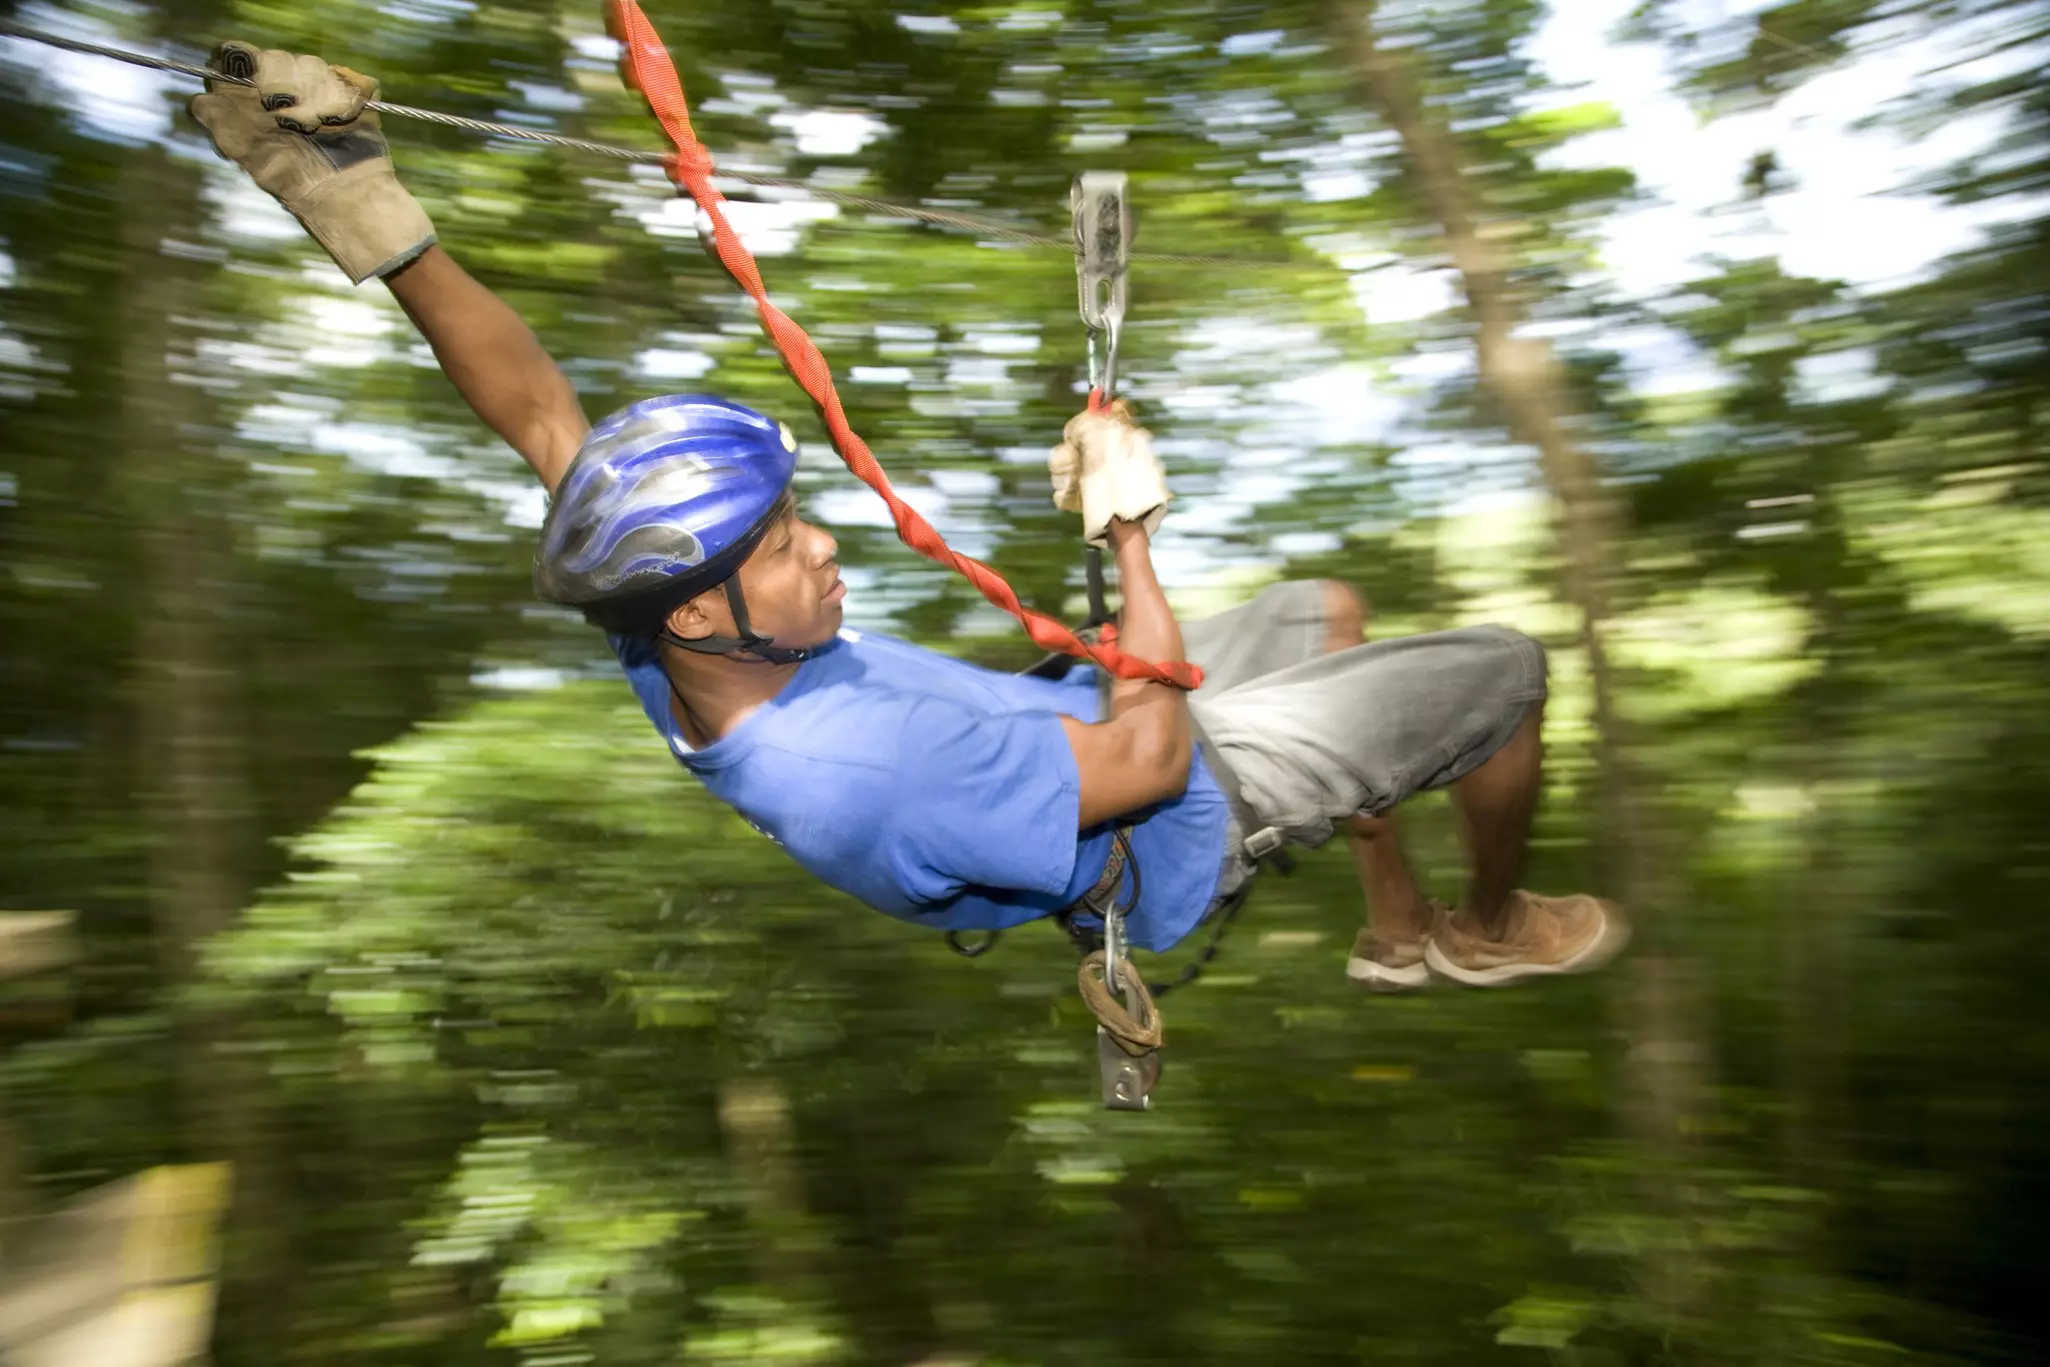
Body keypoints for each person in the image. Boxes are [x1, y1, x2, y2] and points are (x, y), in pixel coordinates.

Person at [188, 44, 1628, 989]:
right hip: (1187, 810)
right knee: (1500, 673)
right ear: (705, 607)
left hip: (1068, 722)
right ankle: (1484, 930)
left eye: (798, 518)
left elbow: (534, 408)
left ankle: (1390, 921)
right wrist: (1128, 532)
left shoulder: (669, 629)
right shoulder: (856, 772)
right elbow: (1142, 752)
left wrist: (364, 199)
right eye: (785, 547)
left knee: (1327, 611)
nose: (825, 546)